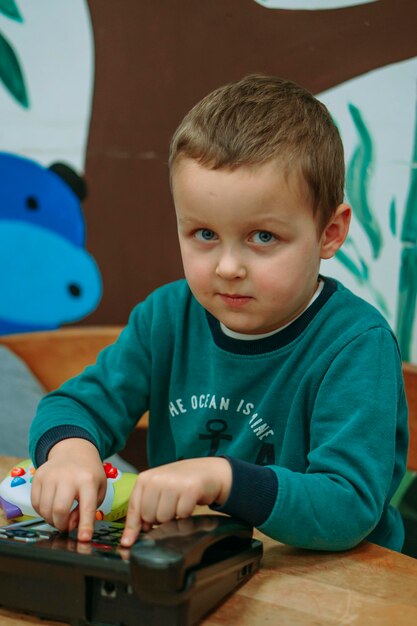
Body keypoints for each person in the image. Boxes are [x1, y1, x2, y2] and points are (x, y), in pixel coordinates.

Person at [29, 74, 408, 552]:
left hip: (336, 586)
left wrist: (224, 480)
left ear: (330, 233)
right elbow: (75, 405)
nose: (228, 267)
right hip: (195, 565)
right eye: (204, 234)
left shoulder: (357, 344)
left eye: (263, 237)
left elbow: (348, 505)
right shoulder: (167, 317)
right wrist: (69, 453)